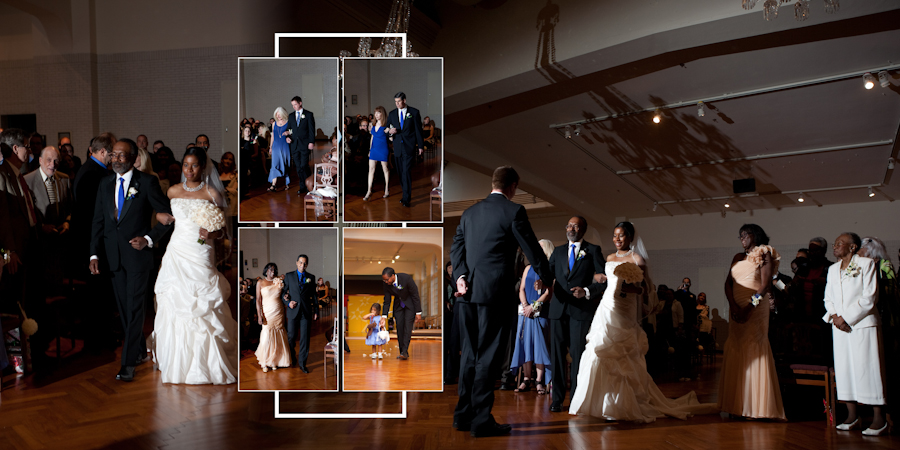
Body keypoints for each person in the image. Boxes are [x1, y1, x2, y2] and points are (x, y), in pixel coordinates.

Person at [569, 222, 716, 422]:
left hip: (626, 309)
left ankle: (624, 402)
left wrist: (632, 290)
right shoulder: (610, 258)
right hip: (606, 308)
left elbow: (645, 289)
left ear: (630, 237)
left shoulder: (637, 259)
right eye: (614, 236)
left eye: (621, 235)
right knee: (598, 347)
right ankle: (599, 402)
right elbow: (607, 282)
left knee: (623, 351)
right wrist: (599, 278)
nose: (617, 239)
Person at [450, 165, 551, 437]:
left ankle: (462, 416)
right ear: (512, 187)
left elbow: (456, 247)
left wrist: (460, 276)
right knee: (488, 358)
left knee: (469, 356)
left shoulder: (469, 213)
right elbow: (533, 250)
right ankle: (481, 422)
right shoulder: (514, 211)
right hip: (494, 295)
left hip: (466, 295)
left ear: (493, 183)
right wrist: (549, 278)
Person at [149, 146, 237, 384]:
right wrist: (160, 217)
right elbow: (162, 216)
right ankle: (174, 360)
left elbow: (222, 232)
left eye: (194, 165)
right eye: (186, 165)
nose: (189, 170)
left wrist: (212, 232)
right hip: (177, 250)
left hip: (201, 251)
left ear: (203, 166)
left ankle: (207, 362)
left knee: (203, 300)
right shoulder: (173, 191)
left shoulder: (212, 193)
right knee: (172, 299)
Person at [89, 138, 174, 382]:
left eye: (121, 155)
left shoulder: (147, 182)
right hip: (113, 259)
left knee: (135, 309)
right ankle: (138, 352)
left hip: (137, 257)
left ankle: (127, 365)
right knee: (125, 311)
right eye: (113, 155)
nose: (115, 159)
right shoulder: (104, 184)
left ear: (133, 157)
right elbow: (98, 221)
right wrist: (94, 253)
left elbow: (167, 217)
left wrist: (148, 238)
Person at [718, 224, 786, 420]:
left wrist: (749, 307)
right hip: (736, 309)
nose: (741, 238)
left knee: (753, 348)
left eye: (745, 234)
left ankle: (756, 406)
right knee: (737, 347)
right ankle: (736, 404)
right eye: (739, 235)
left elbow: (765, 286)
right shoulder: (737, 257)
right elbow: (727, 284)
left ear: (755, 235)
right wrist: (733, 306)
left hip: (755, 309)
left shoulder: (765, 253)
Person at [826, 233, 888, 435]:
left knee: (868, 369)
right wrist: (835, 316)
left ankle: (879, 419)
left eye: (839, 244)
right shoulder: (833, 269)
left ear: (852, 247)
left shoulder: (866, 264)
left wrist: (847, 318)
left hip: (862, 324)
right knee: (845, 369)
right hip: (839, 327)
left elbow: (869, 297)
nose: (835, 247)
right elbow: (828, 298)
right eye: (834, 244)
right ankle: (852, 416)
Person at [547, 216, 606, 412]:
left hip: (580, 310)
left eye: (576, 226)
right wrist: (541, 281)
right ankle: (556, 399)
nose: (572, 228)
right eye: (569, 225)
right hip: (558, 309)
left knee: (577, 355)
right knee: (556, 356)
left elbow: (602, 280)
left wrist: (587, 291)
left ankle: (576, 399)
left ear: (583, 230)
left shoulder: (593, 250)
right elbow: (548, 274)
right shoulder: (558, 251)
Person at [858, 237, 900, 425]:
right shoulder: (859, 267)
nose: (859, 252)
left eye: (862, 249)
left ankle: (889, 411)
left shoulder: (884, 265)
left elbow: (892, 292)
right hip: (865, 320)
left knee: (887, 364)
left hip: (886, 320)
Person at [510, 239, 555, 395]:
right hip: (525, 312)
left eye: (540, 246)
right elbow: (521, 289)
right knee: (525, 344)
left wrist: (533, 306)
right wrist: (525, 305)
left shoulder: (549, 268)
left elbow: (549, 292)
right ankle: (526, 379)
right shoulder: (528, 268)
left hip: (540, 312)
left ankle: (539, 381)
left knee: (539, 346)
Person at [23, 146, 73, 282]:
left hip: (60, 238)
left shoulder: (64, 179)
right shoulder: (27, 181)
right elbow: (26, 212)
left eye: (56, 161)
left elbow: (70, 206)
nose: (52, 164)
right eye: (49, 160)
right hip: (39, 241)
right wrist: (41, 227)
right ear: (40, 160)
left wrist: (67, 222)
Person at [385, 92, 424, 208]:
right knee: (401, 172)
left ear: (404, 100)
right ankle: (404, 194)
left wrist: (420, 146)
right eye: (395, 102)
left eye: (399, 101)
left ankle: (407, 198)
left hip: (409, 146)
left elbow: (418, 130)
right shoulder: (392, 114)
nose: (397, 104)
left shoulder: (414, 112)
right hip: (397, 147)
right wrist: (390, 133)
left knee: (406, 172)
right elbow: (387, 129)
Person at [281, 254, 318, 373]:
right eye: (301, 263)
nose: (303, 265)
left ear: (307, 264)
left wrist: (316, 310)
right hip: (293, 311)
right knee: (291, 337)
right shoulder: (289, 276)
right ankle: (292, 357)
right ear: (297, 263)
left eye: (305, 263)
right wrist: (287, 303)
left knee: (305, 339)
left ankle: (303, 363)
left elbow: (314, 296)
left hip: (306, 312)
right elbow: (282, 294)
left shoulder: (311, 277)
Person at [255, 263, 291, 372]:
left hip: (278, 311)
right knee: (266, 336)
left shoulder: (279, 281)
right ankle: (265, 362)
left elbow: (285, 293)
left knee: (278, 336)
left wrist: (287, 295)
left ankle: (275, 361)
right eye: (271, 270)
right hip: (267, 312)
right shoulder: (260, 282)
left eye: (274, 270)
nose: (273, 272)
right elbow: (258, 300)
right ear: (266, 270)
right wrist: (259, 315)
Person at [381, 267, 422, 360]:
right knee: (399, 327)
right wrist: (384, 316)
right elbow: (387, 300)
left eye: (387, 280)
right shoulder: (386, 284)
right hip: (398, 306)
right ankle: (402, 351)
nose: (386, 282)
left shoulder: (406, 278)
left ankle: (404, 352)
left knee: (407, 328)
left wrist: (418, 312)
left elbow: (415, 294)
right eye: (384, 280)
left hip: (410, 306)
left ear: (392, 276)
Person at [286, 96, 316, 195]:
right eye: (292, 105)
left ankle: (309, 185)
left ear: (300, 103)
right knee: (298, 167)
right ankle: (302, 186)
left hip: (304, 144)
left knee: (304, 165)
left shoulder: (308, 114)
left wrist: (311, 142)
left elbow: (311, 130)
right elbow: (289, 129)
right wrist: (288, 137)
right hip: (294, 145)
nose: (294, 106)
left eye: (295, 104)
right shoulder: (291, 116)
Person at [364, 106, 390, 201]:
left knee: (385, 169)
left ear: (382, 114)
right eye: (375, 113)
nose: (376, 115)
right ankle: (368, 191)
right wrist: (370, 150)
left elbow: (391, 138)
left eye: (378, 113)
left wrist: (389, 132)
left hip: (383, 149)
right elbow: (372, 138)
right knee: (371, 170)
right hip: (374, 150)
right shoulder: (373, 125)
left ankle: (386, 189)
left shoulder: (386, 125)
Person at [444, 261, 460, 385]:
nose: (451, 269)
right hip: (447, 315)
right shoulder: (445, 281)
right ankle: (445, 374)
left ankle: (451, 374)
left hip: (456, 313)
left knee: (454, 345)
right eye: (449, 267)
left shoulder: (457, 280)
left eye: (452, 267)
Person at [268, 107, 291, 192]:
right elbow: (273, 136)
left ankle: (287, 183)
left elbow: (292, 132)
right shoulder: (274, 123)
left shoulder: (288, 122)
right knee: (274, 164)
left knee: (285, 163)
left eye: (280, 115)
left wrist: (288, 134)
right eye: (277, 115)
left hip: (284, 146)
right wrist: (270, 147)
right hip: (275, 146)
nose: (279, 116)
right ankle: (273, 185)